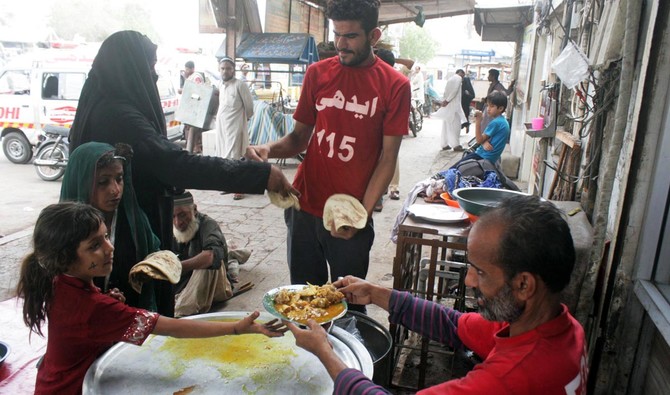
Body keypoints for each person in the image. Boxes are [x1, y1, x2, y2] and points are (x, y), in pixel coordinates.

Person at [68, 31, 296, 316]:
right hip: (122, 238)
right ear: (131, 68)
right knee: (136, 315)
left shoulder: (101, 103)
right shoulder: (118, 115)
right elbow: (176, 164)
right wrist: (260, 174)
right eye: (149, 67)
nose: (153, 76)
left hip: (127, 228)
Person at [286, 195, 588, 394]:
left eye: (480, 272)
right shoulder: (559, 326)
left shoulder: (507, 379)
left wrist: (324, 351)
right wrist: (376, 293)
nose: (468, 281)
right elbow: (453, 325)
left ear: (524, 285)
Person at [16, 202, 287, 395]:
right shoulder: (92, 309)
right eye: (94, 246)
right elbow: (172, 327)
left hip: (51, 380)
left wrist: (105, 299)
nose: (109, 248)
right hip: (73, 388)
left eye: (105, 237)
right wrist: (236, 328)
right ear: (65, 258)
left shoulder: (57, 280)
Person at [245, 0, 411, 313]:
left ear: (373, 35)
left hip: (350, 216)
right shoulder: (317, 74)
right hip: (303, 207)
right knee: (304, 303)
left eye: (350, 36)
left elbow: (388, 159)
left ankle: (345, 361)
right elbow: (297, 138)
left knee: (348, 306)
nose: (340, 45)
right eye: (336, 35)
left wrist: (359, 217)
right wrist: (267, 149)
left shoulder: (395, 86)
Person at [60, 142, 166, 313]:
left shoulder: (134, 222)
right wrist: (99, 303)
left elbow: (155, 258)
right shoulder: (61, 233)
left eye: (119, 178)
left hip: (130, 320)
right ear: (81, 182)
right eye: (103, 182)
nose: (115, 190)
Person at [172, 191, 249, 317]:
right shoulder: (171, 226)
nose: (177, 222)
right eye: (173, 216)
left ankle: (185, 306)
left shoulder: (208, 224)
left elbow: (210, 257)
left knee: (208, 260)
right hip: (186, 280)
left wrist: (178, 267)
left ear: (194, 210)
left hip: (214, 282)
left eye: (182, 215)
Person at [213, 56, 255, 200]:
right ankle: (228, 185)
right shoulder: (220, 85)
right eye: (223, 68)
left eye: (228, 68)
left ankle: (240, 188)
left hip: (235, 127)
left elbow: (249, 108)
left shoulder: (240, 85)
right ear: (219, 69)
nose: (225, 71)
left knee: (236, 157)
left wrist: (242, 121)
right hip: (222, 128)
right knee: (223, 156)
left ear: (233, 70)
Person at [456, 91, 510, 166]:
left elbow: (479, 140)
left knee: (453, 169)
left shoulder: (496, 123)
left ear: (500, 108)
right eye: (488, 106)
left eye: (492, 106)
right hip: (489, 157)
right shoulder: (503, 121)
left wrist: (478, 120)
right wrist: (484, 142)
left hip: (482, 156)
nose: (488, 109)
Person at [180, 60, 206, 154]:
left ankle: (196, 148)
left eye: (187, 69)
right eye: (185, 69)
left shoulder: (196, 77)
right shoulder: (190, 77)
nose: (186, 71)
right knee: (189, 130)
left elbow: (199, 93)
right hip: (190, 109)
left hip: (195, 109)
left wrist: (184, 92)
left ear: (192, 68)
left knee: (194, 131)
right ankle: (192, 148)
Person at [439, 70, 467, 151]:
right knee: (456, 126)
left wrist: (444, 101)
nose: (463, 78)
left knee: (446, 126)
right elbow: (455, 91)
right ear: (461, 73)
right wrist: (447, 100)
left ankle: (444, 144)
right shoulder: (458, 79)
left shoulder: (450, 79)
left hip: (448, 106)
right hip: (454, 106)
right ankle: (456, 145)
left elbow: (446, 91)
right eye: (463, 76)